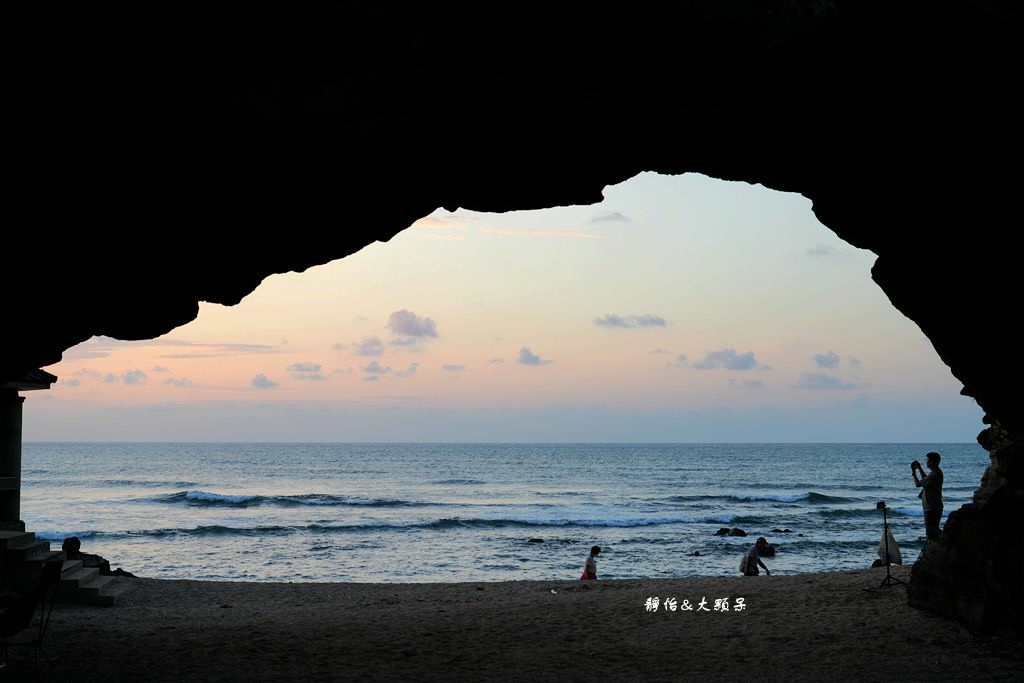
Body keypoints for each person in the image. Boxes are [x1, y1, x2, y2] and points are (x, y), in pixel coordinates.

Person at [61, 536, 135, 577]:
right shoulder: (73, 556)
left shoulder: (72, 556)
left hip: (101, 565)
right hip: (101, 565)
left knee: (115, 572)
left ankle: (121, 573)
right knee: (116, 573)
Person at [911, 451, 944, 541]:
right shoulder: (935, 473)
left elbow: (918, 484)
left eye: (928, 460)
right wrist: (919, 467)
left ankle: (935, 548)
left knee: (931, 533)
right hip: (934, 506)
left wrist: (913, 472)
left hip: (931, 507)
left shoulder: (934, 474)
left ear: (932, 462)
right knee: (934, 530)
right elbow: (925, 479)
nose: (926, 461)